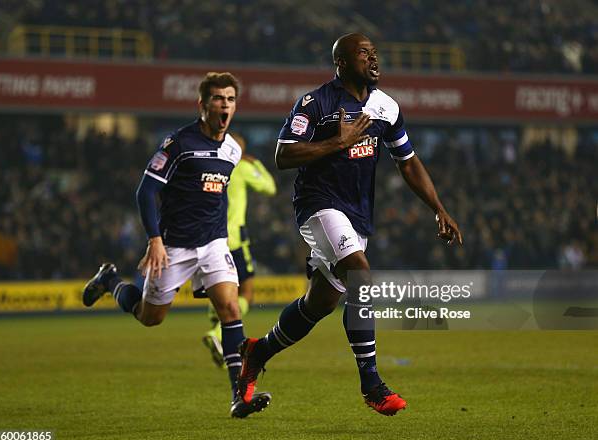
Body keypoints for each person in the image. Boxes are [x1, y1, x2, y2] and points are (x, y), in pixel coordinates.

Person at [236, 34, 462, 416]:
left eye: (375, 53)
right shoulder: (316, 103)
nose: (374, 58)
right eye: (364, 53)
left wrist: (438, 207)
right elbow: (283, 154)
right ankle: (372, 384)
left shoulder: (385, 107)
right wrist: (335, 143)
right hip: (318, 206)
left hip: (357, 216)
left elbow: (407, 161)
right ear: (341, 62)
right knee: (361, 275)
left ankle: (258, 351)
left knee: (320, 302)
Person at [81, 72, 271, 419]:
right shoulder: (178, 144)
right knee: (150, 317)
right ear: (202, 104)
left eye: (229, 99)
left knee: (231, 309)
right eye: (217, 98)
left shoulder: (232, 150)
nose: (224, 105)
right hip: (174, 247)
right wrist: (155, 240)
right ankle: (110, 280)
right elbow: (146, 191)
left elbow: (216, 195)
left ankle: (239, 396)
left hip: (214, 243)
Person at [202, 132, 277, 368]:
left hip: (208, 238)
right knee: (246, 292)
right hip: (234, 239)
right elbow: (270, 188)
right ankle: (217, 332)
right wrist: (257, 164)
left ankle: (218, 330)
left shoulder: (210, 165)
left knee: (220, 287)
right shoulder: (242, 167)